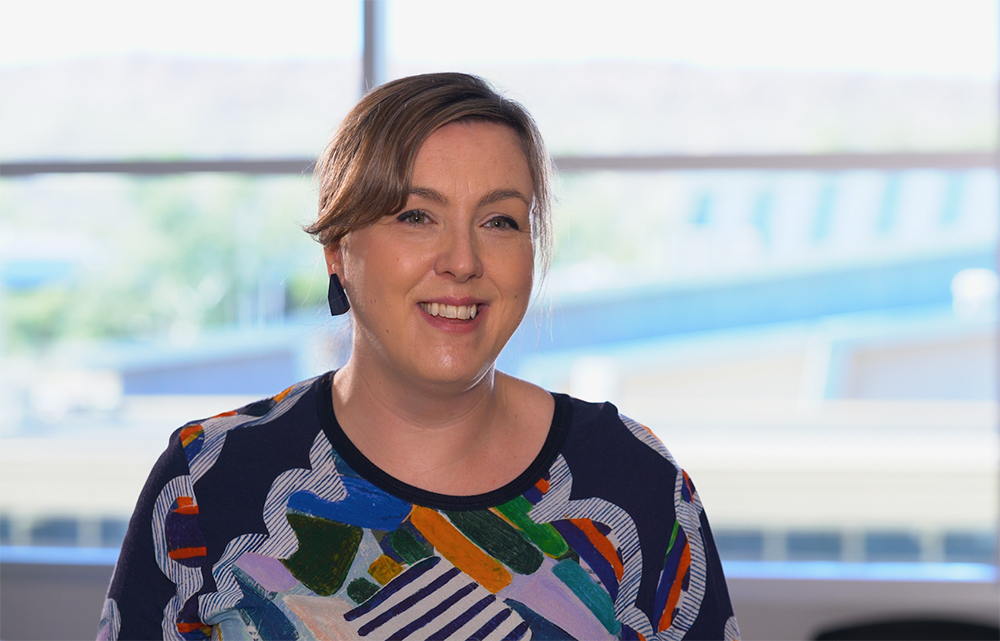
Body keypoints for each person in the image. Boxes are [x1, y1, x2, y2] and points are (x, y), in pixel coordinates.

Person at [98, 72, 739, 641]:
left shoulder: (634, 478)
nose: (462, 261)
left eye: (501, 222)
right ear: (337, 246)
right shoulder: (209, 478)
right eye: (415, 216)